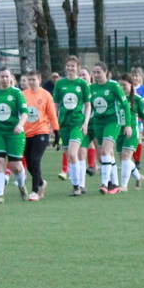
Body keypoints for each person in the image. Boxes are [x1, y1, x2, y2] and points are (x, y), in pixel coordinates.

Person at [0, 67, 28, 203]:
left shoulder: (17, 93)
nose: (4, 79)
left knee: (16, 167)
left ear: (11, 78)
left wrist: (20, 125)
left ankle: (21, 185)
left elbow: (25, 112)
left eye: (6, 76)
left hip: (14, 133)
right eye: (2, 76)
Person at [85, 62, 129, 195]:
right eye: (94, 72)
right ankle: (114, 184)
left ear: (106, 72)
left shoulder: (114, 86)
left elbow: (125, 105)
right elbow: (89, 106)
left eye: (99, 72)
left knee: (105, 151)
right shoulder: (91, 88)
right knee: (106, 155)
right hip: (98, 123)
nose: (96, 75)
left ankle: (104, 184)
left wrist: (127, 124)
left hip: (113, 121)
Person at [52, 56, 90, 193]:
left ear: (77, 67)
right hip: (64, 124)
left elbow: (88, 105)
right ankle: (80, 183)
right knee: (69, 155)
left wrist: (86, 123)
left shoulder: (83, 84)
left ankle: (76, 186)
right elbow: (55, 105)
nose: (70, 68)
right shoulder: (59, 84)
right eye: (68, 65)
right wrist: (54, 125)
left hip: (77, 123)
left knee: (73, 154)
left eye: (73, 66)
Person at [20, 69, 59, 200]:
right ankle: (41, 182)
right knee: (29, 162)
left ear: (40, 80)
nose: (31, 82)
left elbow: (52, 115)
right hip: (27, 132)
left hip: (41, 131)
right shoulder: (23, 95)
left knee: (35, 160)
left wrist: (56, 131)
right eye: (29, 80)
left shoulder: (46, 95)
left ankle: (35, 190)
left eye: (34, 80)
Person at [117, 75, 144, 190]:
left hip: (132, 130)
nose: (122, 87)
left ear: (131, 85)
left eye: (124, 85)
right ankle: (138, 177)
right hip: (119, 130)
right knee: (123, 159)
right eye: (120, 85)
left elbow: (143, 115)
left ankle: (124, 185)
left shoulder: (137, 99)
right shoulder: (117, 98)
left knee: (126, 156)